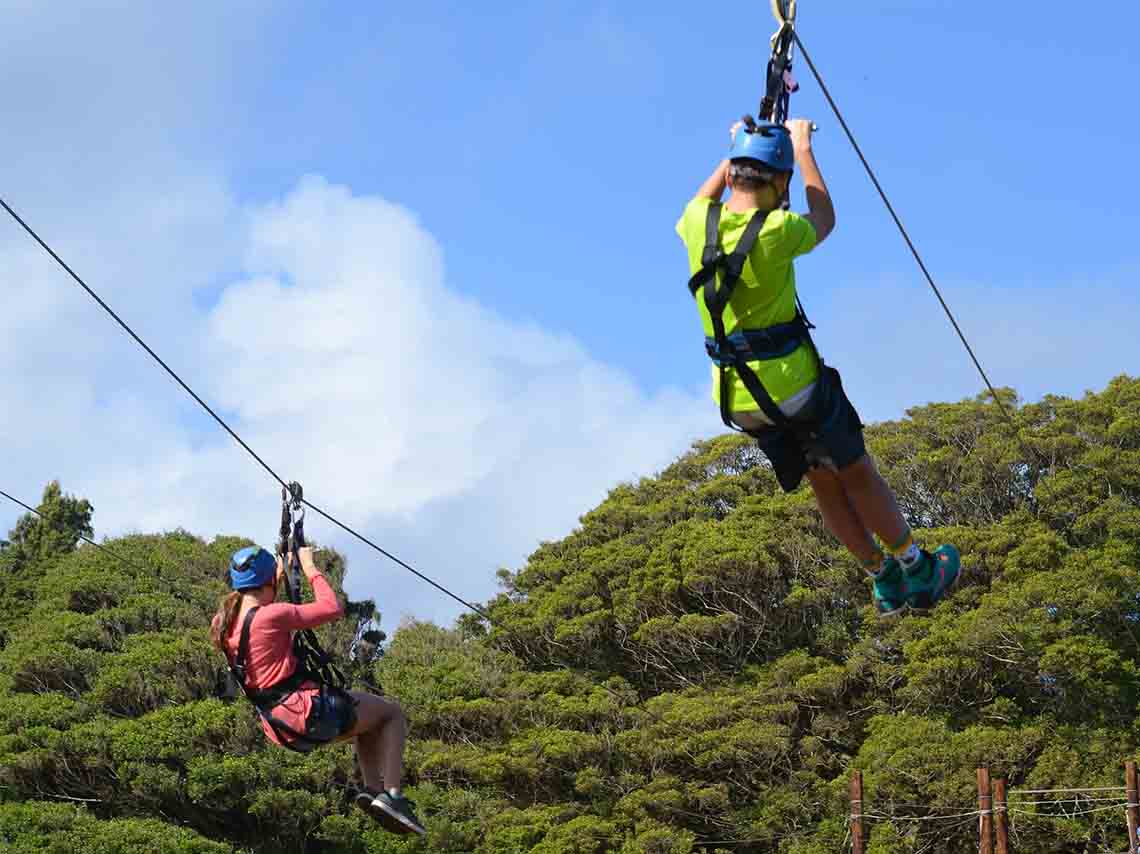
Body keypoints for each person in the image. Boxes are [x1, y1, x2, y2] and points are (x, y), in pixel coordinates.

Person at [676, 116, 960, 615]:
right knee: (854, 471)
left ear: (733, 174)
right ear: (779, 182)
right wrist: (803, 148)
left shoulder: (697, 222)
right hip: (793, 386)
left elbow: (710, 191)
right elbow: (823, 218)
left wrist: (737, 147)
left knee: (820, 480)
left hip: (738, 398)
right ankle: (916, 565)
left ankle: (881, 577)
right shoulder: (779, 231)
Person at [210, 545, 426, 835]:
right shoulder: (271, 616)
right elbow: (331, 608)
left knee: (366, 720)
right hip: (305, 712)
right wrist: (309, 566)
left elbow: (262, 618)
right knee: (391, 714)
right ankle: (394, 796)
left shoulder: (224, 623)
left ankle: (373, 792)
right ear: (267, 582)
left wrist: (276, 579)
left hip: (277, 725)